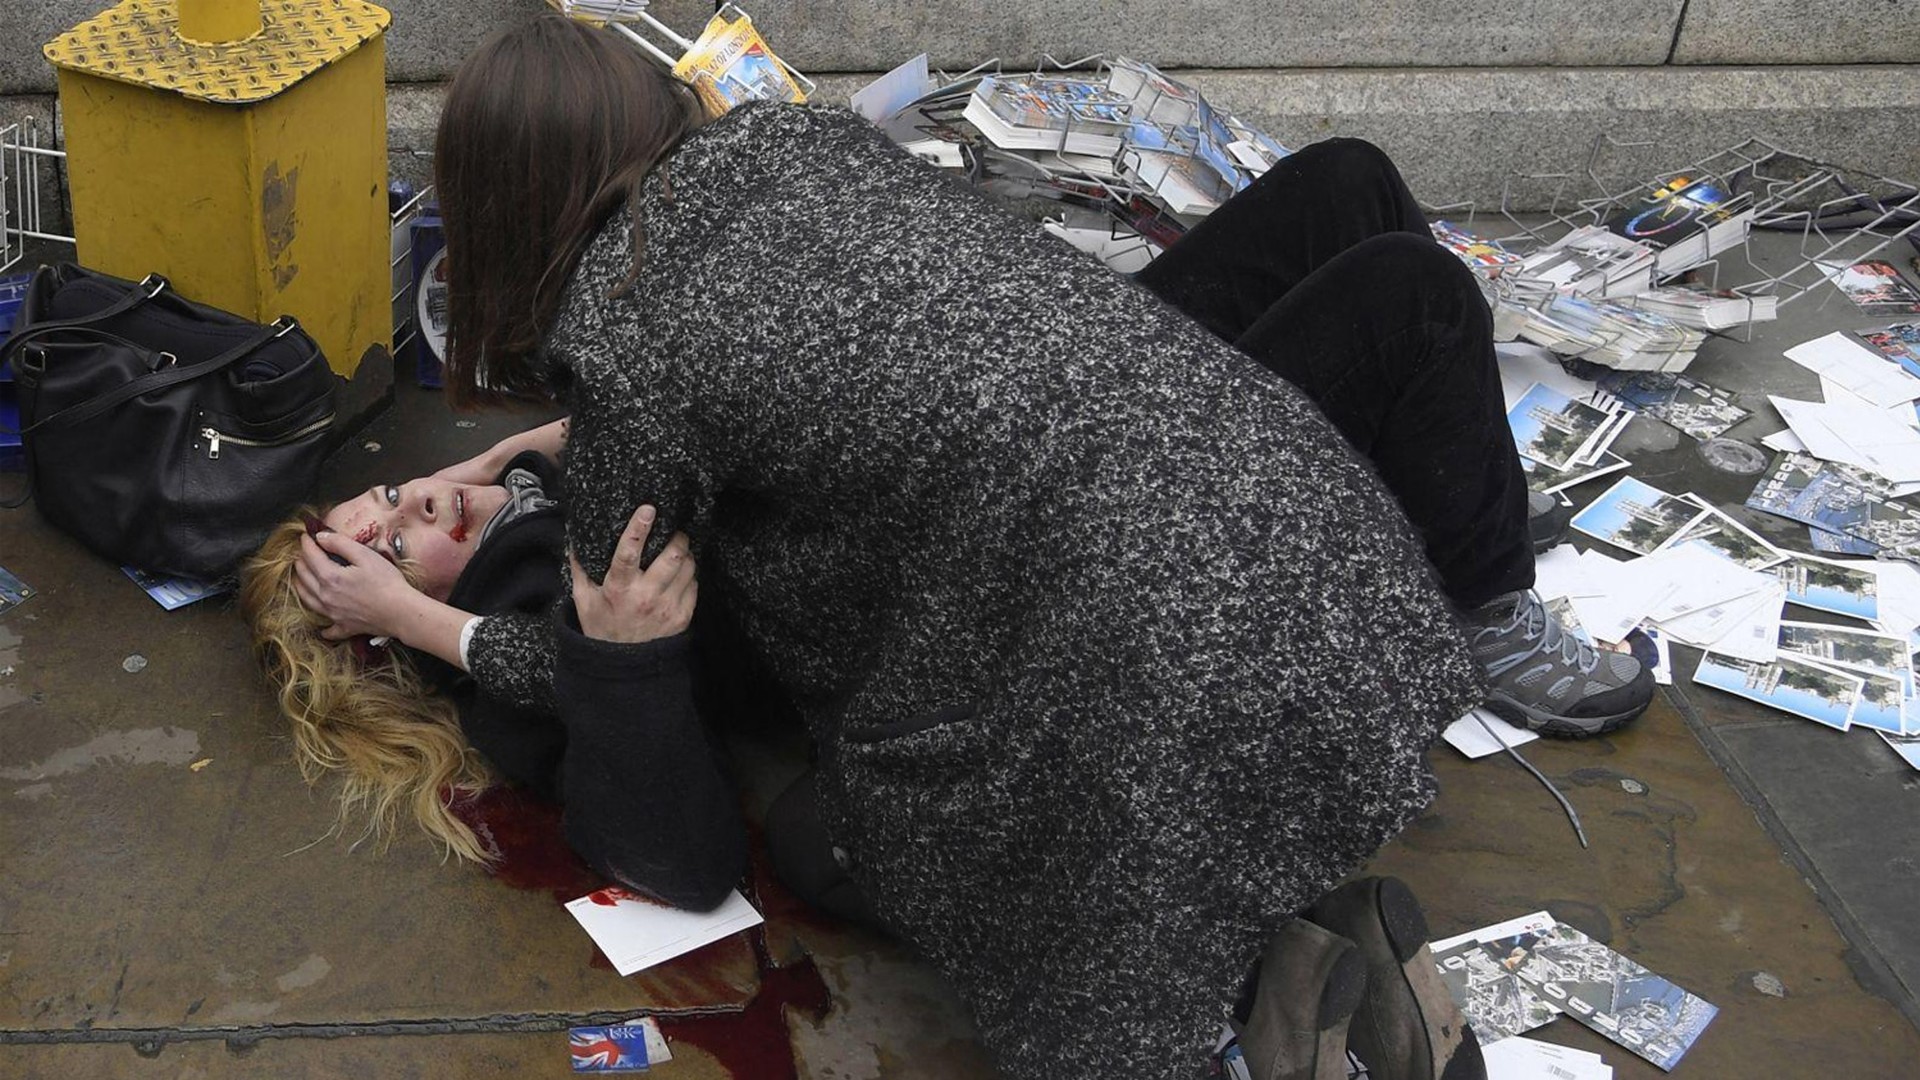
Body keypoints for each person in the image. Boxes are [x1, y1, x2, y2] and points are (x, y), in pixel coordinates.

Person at [295, 15, 1650, 1080]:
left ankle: (1262, 1001)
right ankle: (1293, 970)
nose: (411, 508)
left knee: (949, 870)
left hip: (1114, 622)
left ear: (504, 209)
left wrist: (504, 497)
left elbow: (669, 514)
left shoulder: (631, 402)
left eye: (392, 499)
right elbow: (636, 690)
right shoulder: (793, 149)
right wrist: (455, 592)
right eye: (387, 537)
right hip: (1320, 559)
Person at [240, 444, 748, 910]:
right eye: (398, 542)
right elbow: (685, 860)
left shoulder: (517, 493)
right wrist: (406, 615)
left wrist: (493, 464)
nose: (423, 500)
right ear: (391, 619)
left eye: (392, 492)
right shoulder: (515, 637)